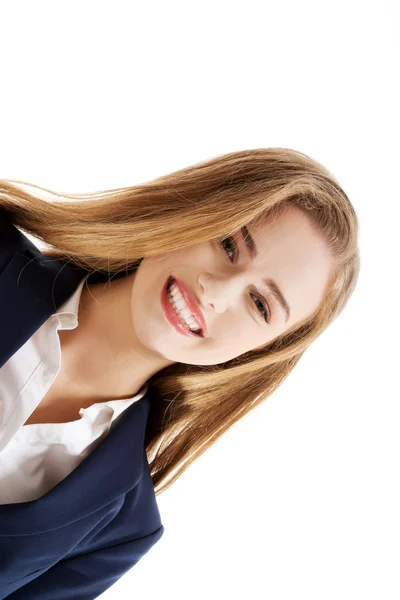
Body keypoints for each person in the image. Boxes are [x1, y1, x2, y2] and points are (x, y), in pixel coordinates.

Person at [0, 147, 360, 598]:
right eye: (229, 244)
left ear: (262, 349)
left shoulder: (120, 532)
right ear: (190, 212)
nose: (217, 293)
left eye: (260, 304)